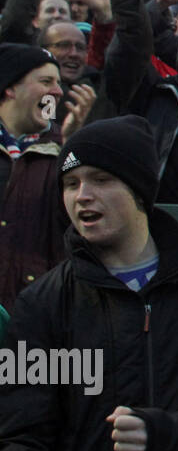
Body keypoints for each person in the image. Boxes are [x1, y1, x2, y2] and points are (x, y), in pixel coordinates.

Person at [0, 116, 178, 451]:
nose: (82, 196)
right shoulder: (42, 304)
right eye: (71, 183)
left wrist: (166, 435)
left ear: (139, 189)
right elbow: (22, 433)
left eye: (101, 179)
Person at [0, 44, 95, 307]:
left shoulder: (64, 148)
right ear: (10, 87)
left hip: (38, 309)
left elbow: (80, 223)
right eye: (46, 81)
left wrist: (71, 148)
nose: (58, 91)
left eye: (58, 83)